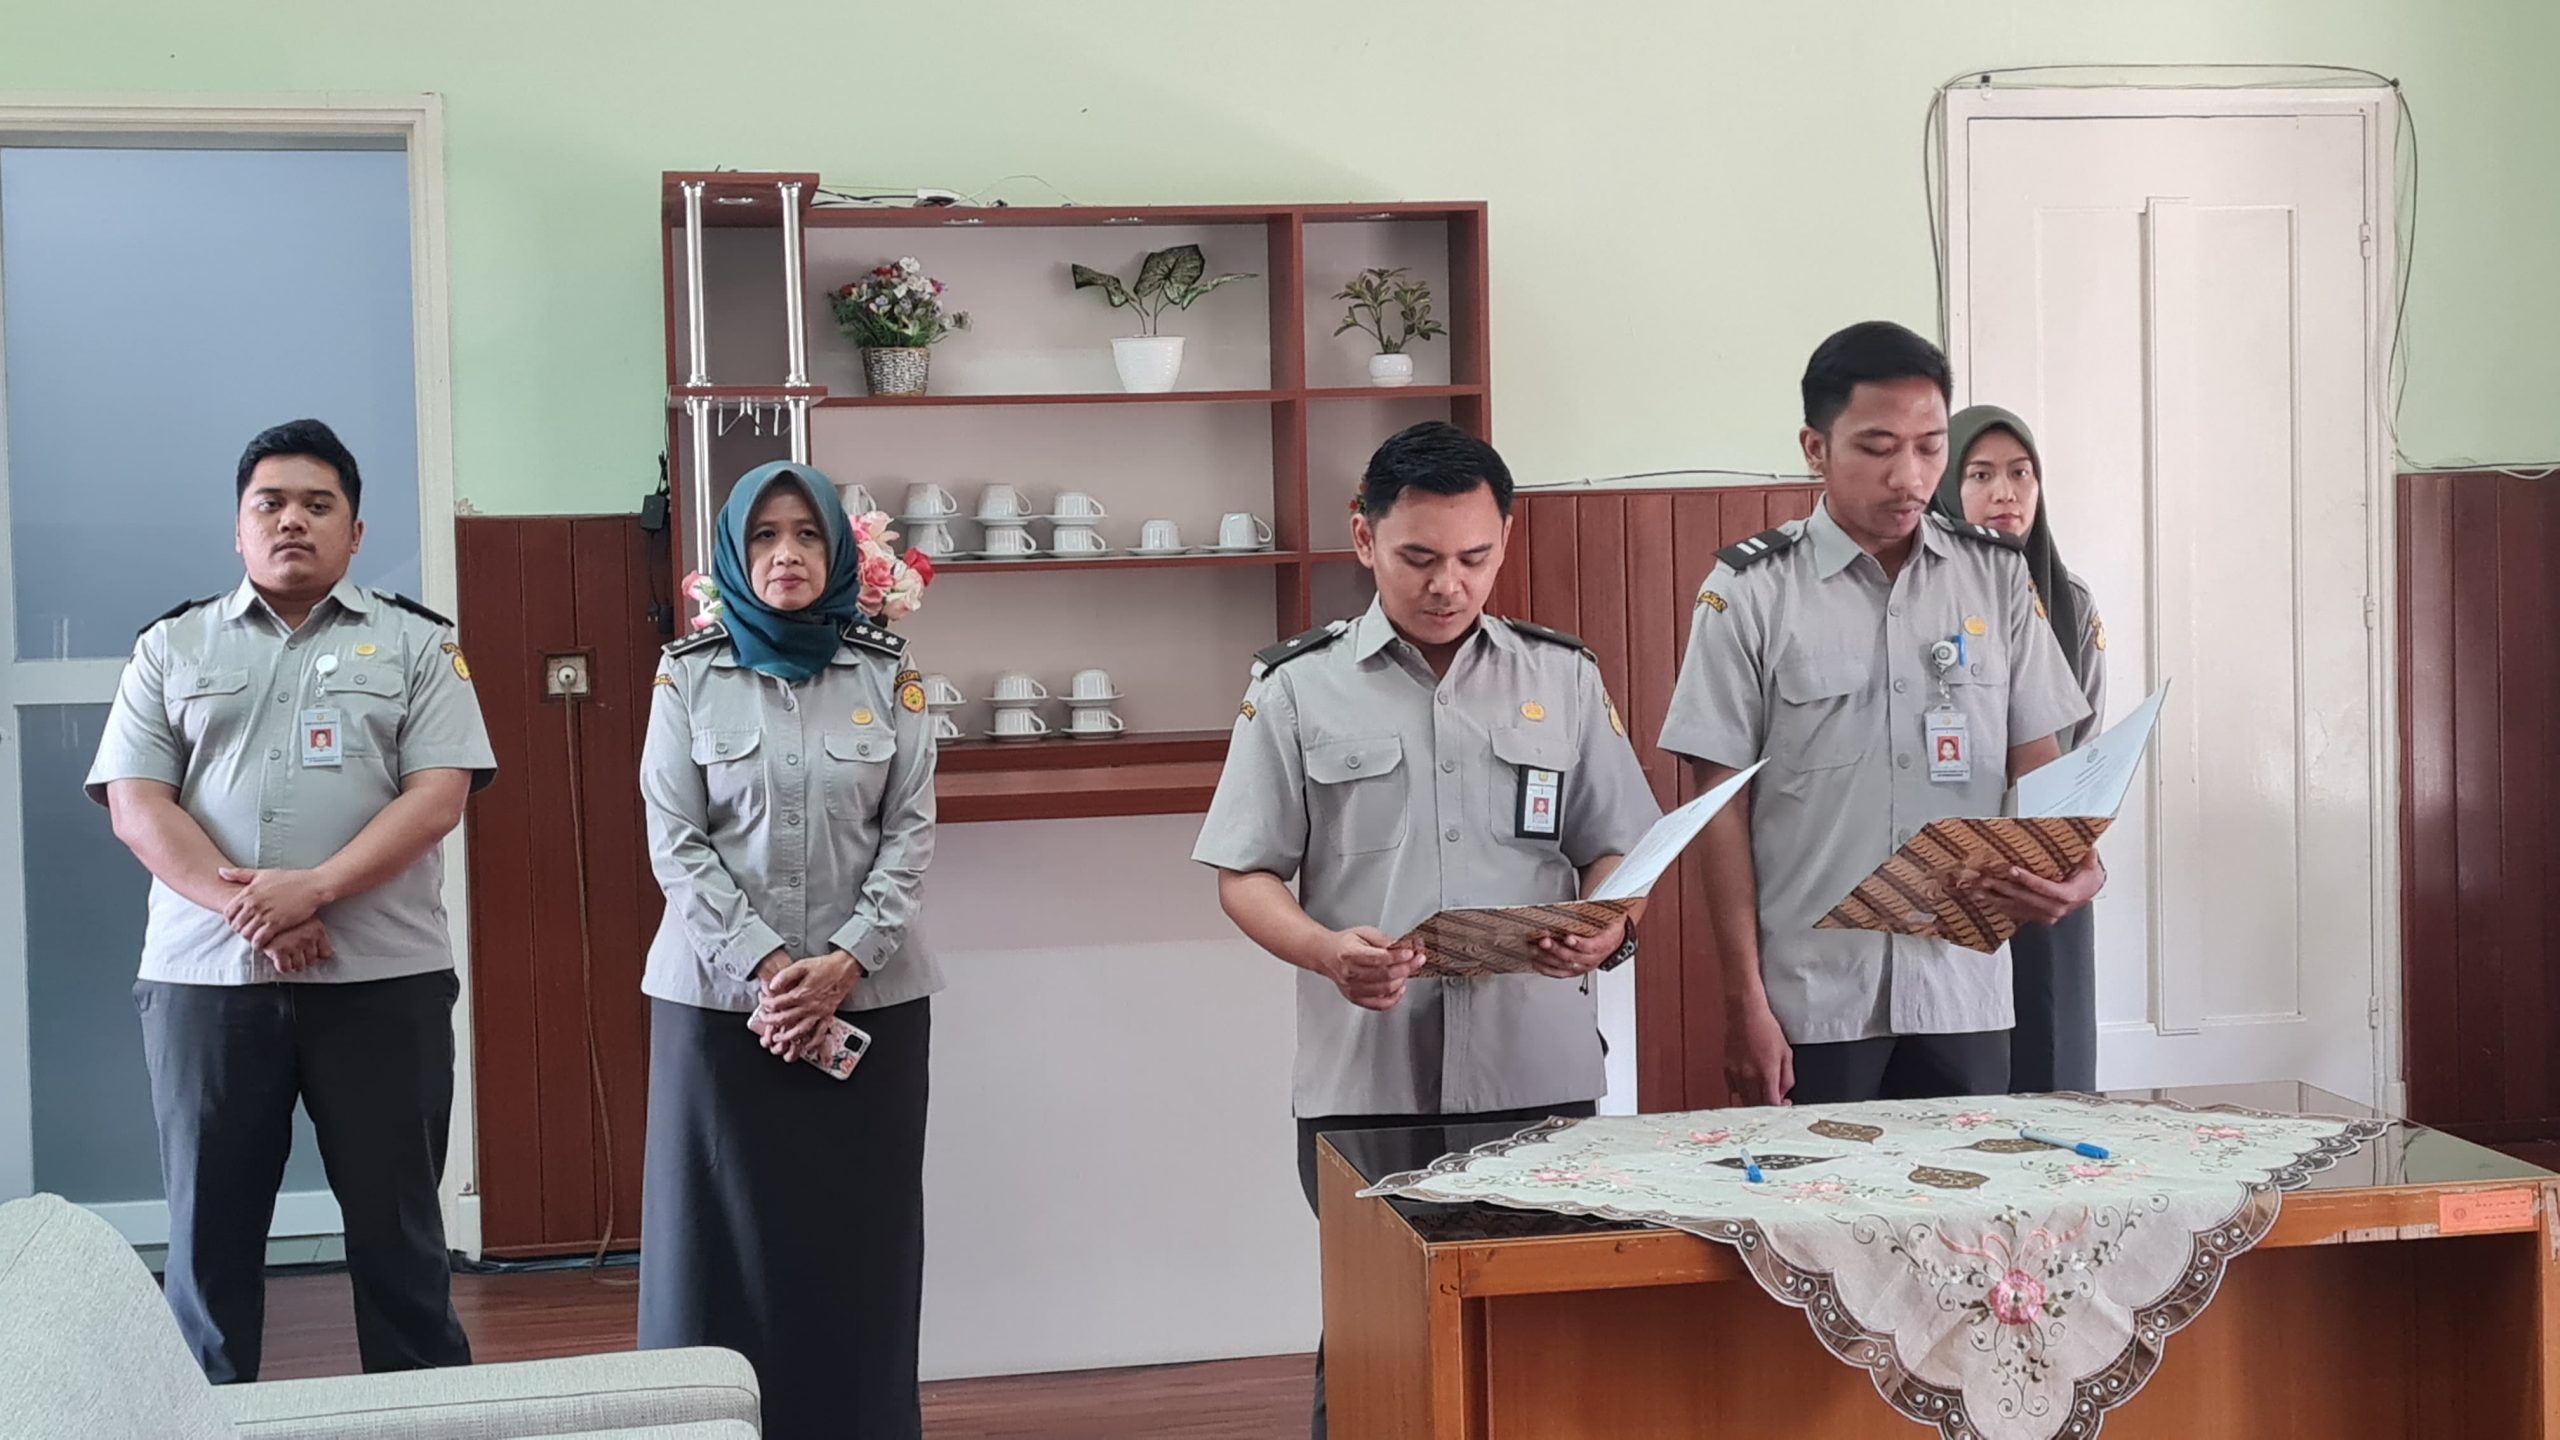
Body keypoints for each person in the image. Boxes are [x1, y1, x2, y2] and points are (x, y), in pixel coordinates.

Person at [1193, 421, 1660, 1438]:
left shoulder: (1562, 678)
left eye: (1474, 558)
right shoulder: (1296, 686)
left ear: (1504, 541)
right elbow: (1245, 872)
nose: (1449, 585)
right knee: (1378, 1336)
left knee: (1542, 1338)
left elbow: (1620, 848)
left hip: (1535, 1066)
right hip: (1368, 1077)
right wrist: (1325, 951)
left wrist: (1607, 923)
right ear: (1363, 537)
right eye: (1418, 557)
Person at [87, 418, 494, 1382]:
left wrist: (315, 888)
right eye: (269, 503)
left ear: (356, 532)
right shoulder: (170, 645)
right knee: (209, 1235)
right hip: (206, 984)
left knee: (401, 1233)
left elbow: (438, 796)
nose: (292, 521)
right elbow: (138, 806)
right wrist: (255, 910)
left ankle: (422, 1416)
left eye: (319, 504)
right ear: (238, 528)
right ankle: (208, 1418)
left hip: (381, 980)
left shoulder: (420, 644)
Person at [1658, 323, 2098, 1106]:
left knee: (1965, 1188)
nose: (1909, 476)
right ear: (1815, 448)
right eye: (1877, 447)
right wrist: (1743, 999)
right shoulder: (1751, 592)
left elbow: (2039, 762)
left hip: (1963, 989)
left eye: (1930, 448)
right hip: (1813, 997)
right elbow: (1718, 810)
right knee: (1815, 1187)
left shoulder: (1995, 579)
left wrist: (2080, 862)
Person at [637, 461, 940, 1440]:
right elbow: (676, 842)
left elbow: (911, 834)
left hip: (871, 1003)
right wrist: (771, 970)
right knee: (712, 1250)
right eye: (764, 536)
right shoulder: (688, 675)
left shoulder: (889, 675)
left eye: (807, 535)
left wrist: (845, 962)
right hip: (721, 1009)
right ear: (734, 553)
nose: (786, 555)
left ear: (840, 552)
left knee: (860, 1249)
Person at [1934, 404, 2109, 1092]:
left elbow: (2082, 743)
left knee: (2053, 1075)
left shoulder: (2072, 602)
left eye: (2021, 473)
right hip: (1954, 876)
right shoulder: (1920, 599)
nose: (2005, 493)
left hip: (2047, 871)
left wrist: (2076, 853)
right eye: (1980, 475)